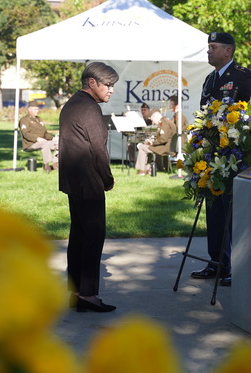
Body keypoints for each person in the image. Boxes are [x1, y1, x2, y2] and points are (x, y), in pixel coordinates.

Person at [191, 32, 251, 287]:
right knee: (213, 210)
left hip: (232, 156)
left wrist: (241, 140)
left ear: (228, 51)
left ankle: (234, 266)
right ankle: (217, 263)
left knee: (231, 212)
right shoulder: (209, 79)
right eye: (208, 47)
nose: (208, 51)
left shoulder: (242, 76)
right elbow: (205, 114)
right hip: (212, 156)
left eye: (213, 47)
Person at [58, 62, 119, 313]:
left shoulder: (72, 103)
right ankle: (88, 294)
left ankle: (75, 293)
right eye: (108, 85)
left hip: (73, 181)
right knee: (93, 237)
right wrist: (107, 179)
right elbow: (99, 151)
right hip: (89, 181)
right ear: (92, 83)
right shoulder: (90, 108)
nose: (111, 90)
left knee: (79, 237)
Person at [19, 101, 59, 173]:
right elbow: (25, 134)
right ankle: (46, 165)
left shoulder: (39, 119)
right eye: (35, 109)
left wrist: (53, 138)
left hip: (43, 141)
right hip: (31, 143)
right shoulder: (24, 120)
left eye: (37, 109)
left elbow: (45, 134)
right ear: (29, 109)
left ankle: (55, 164)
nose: (37, 111)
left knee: (59, 143)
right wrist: (37, 138)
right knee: (46, 144)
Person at [134, 110, 176, 175]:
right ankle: (147, 169)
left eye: (153, 120)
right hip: (169, 146)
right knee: (147, 147)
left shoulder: (163, 123)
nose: (153, 122)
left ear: (156, 118)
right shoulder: (166, 121)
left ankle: (143, 170)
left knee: (142, 147)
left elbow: (163, 139)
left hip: (166, 147)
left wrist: (152, 143)